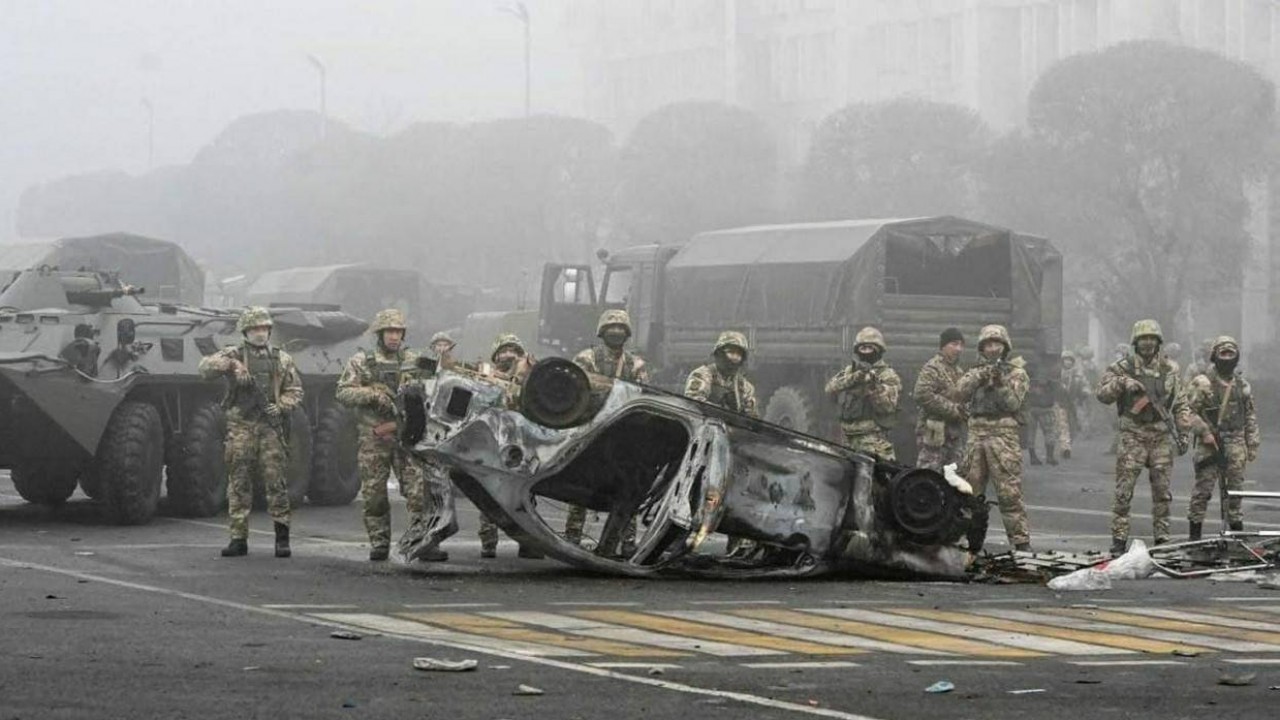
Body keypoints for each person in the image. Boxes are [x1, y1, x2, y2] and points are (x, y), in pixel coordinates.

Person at [335, 309, 445, 562]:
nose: (394, 337)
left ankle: (424, 541)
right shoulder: (362, 362)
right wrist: (372, 394)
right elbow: (343, 392)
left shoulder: (415, 360)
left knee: (419, 492)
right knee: (374, 496)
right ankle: (379, 543)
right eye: (389, 332)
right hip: (375, 437)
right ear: (380, 334)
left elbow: (440, 383)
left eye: (398, 332)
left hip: (408, 437)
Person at [198, 306, 304, 558]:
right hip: (241, 426)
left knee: (275, 481)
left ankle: (281, 537)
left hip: (270, 427)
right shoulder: (235, 354)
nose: (260, 333)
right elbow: (204, 368)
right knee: (238, 482)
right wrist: (232, 365)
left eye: (264, 328)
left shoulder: (281, 358)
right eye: (255, 328)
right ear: (245, 331)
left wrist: (280, 407)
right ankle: (238, 538)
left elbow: (296, 391)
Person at [1096, 319, 1193, 555]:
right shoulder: (1122, 367)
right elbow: (1102, 394)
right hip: (1133, 434)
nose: (1148, 343)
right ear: (1135, 342)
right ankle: (1119, 541)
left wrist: (1184, 432)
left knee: (1162, 493)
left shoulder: (1170, 369)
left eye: (1152, 339)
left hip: (1160, 435)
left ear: (1159, 342)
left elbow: (1180, 403)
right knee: (1124, 491)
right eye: (1143, 339)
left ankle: (1162, 539)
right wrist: (1122, 383)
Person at [566, 310, 650, 551]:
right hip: (590, 429)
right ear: (602, 332)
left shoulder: (636, 364)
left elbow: (643, 395)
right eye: (611, 328)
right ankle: (572, 537)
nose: (616, 332)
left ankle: (627, 542)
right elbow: (577, 389)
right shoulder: (586, 358)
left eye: (621, 329)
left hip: (624, 434)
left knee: (628, 487)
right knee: (581, 485)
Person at [954, 324, 1032, 553]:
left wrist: (1000, 383)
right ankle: (969, 542)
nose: (992, 348)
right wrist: (979, 376)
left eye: (996, 344)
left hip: (1003, 434)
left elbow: (1013, 403)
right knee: (970, 492)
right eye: (988, 344)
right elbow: (958, 393)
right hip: (976, 432)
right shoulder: (974, 371)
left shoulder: (1017, 373)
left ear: (1005, 347)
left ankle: (1020, 543)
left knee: (1009, 492)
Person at [1184, 336, 1260, 539]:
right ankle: (1194, 538)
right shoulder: (1202, 383)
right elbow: (1187, 412)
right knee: (1202, 492)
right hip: (1210, 445)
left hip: (1235, 443)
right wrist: (1205, 432)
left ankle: (1236, 538)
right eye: (1222, 353)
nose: (1227, 358)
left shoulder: (1242, 385)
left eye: (1231, 354)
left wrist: (1252, 443)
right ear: (1214, 356)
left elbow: (1250, 415)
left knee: (1234, 494)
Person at [479, 333, 544, 559]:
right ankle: (488, 542)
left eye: (514, 351)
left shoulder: (530, 377)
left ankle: (528, 543)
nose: (509, 355)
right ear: (496, 355)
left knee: (525, 496)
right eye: (504, 351)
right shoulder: (485, 376)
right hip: (494, 442)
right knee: (489, 492)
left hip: (523, 444)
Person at [824, 326, 901, 460]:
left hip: (872, 439)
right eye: (862, 348)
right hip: (847, 439)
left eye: (869, 348)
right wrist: (854, 378)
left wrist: (873, 386)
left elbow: (888, 406)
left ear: (878, 350)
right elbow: (830, 388)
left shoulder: (887, 375)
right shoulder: (850, 371)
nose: (866, 352)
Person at [913, 327, 967, 472]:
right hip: (934, 434)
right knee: (929, 476)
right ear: (943, 346)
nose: (959, 349)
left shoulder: (958, 371)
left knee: (955, 477)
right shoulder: (932, 368)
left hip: (953, 435)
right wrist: (953, 410)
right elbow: (922, 394)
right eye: (954, 344)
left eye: (961, 345)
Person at [684, 331, 759, 419]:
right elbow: (693, 405)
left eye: (738, 354)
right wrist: (721, 409)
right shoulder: (702, 375)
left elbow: (752, 418)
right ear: (720, 353)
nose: (735, 357)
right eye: (731, 352)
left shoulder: (744, 386)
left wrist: (741, 413)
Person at [1023, 360, 1059, 466]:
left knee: (1031, 433)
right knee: (1049, 432)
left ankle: (1033, 457)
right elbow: (1055, 386)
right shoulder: (1048, 369)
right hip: (1044, 407)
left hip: (1031, 407)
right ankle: (1049, 457)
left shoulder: (1026, 371)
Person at [1056, 350, 1086, 459]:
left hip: (1073, 405)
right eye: (1065, 360)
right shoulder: (1057, 374)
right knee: (1063, 427)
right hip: (1061, 403)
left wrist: (1084, 393)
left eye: (1070, 360)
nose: (1067, 362)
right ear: (1062, 361)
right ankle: (1066, 448)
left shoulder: (1077, 375)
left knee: (1073, 428)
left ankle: (1068, 445)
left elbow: (1084, 387)